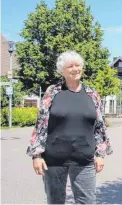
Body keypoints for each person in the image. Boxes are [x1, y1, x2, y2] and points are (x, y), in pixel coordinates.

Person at [26, 51, 113, 204]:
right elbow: (41, 125)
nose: (75, 69)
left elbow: (99, 126)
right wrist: (37, 156)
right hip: (53, 160)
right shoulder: (52, 92)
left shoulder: (92, 94)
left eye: (77, 65)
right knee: (55, 201)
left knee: (86, 201)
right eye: (70, 66)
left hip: (84, 159)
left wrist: (100, 154)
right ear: (62, 71)